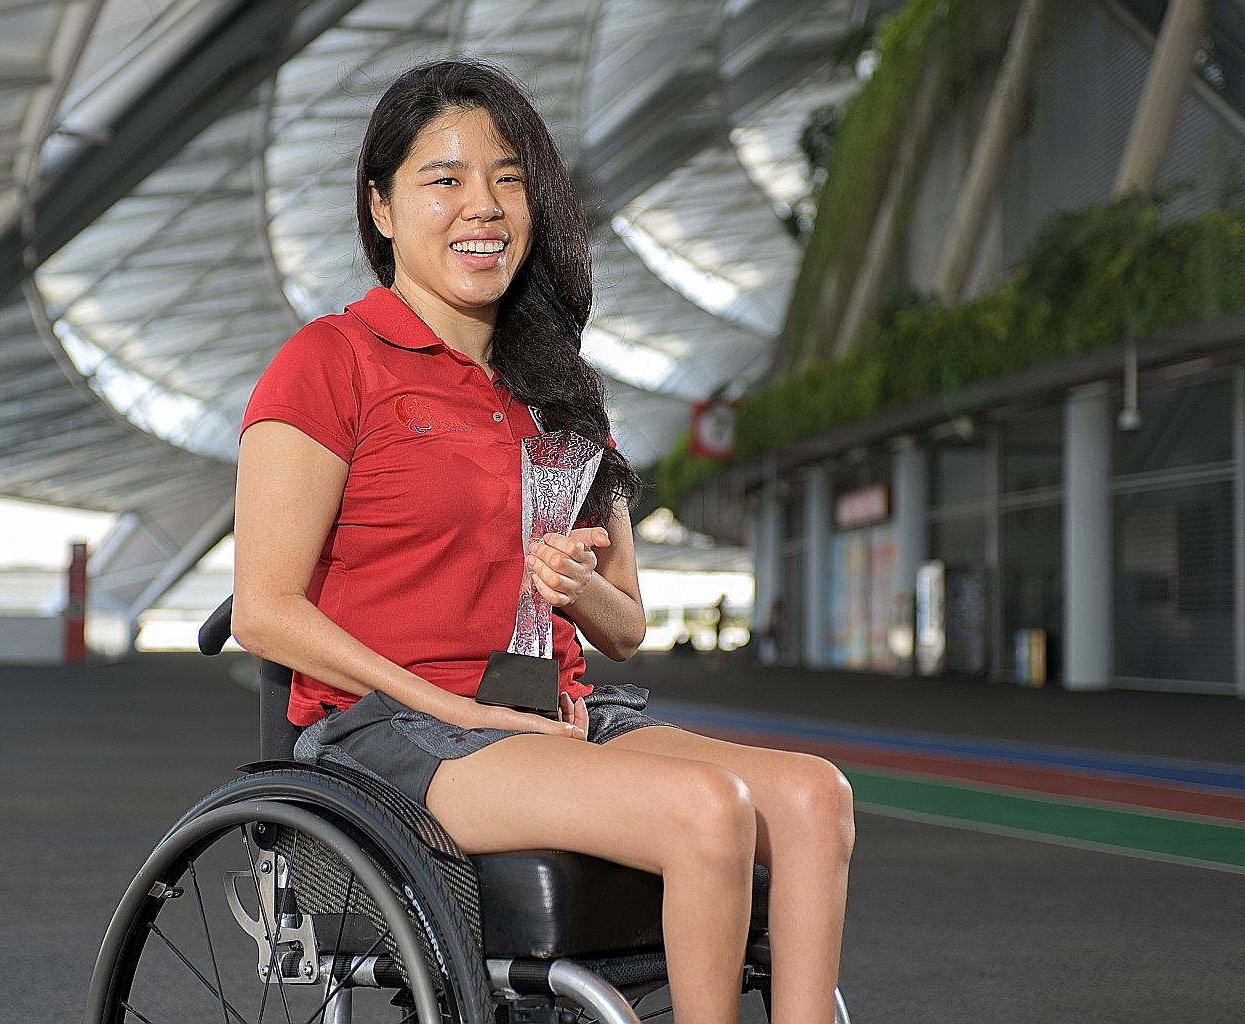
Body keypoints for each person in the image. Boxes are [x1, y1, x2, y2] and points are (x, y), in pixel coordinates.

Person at [232, 58, 854, 1024]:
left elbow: (627, 626)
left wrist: (576, 582)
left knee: (816, 799)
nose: (483, 206)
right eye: (445, 180)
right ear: (382, 209)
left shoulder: (557, 390)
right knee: (706, 807)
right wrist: (454, 708)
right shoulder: (329, 362)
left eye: (508, 178)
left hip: (550, 712)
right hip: (393, 732)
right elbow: (267, 612)